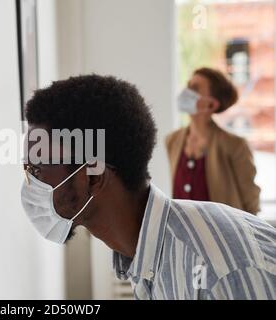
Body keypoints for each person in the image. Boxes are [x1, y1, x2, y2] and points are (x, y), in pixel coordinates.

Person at [21, 75, 276, 300]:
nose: (30, 183)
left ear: (92, 177)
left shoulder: (221, 272)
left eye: (37, 169)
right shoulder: (147, 259)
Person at [167, 67, 260, 214]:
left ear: (211, 105)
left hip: (224, 235)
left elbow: (251, 201)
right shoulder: (172, 141)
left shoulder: (235, 145)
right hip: (183, 235)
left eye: (194, 88)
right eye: (188, 85)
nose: (186, 91)